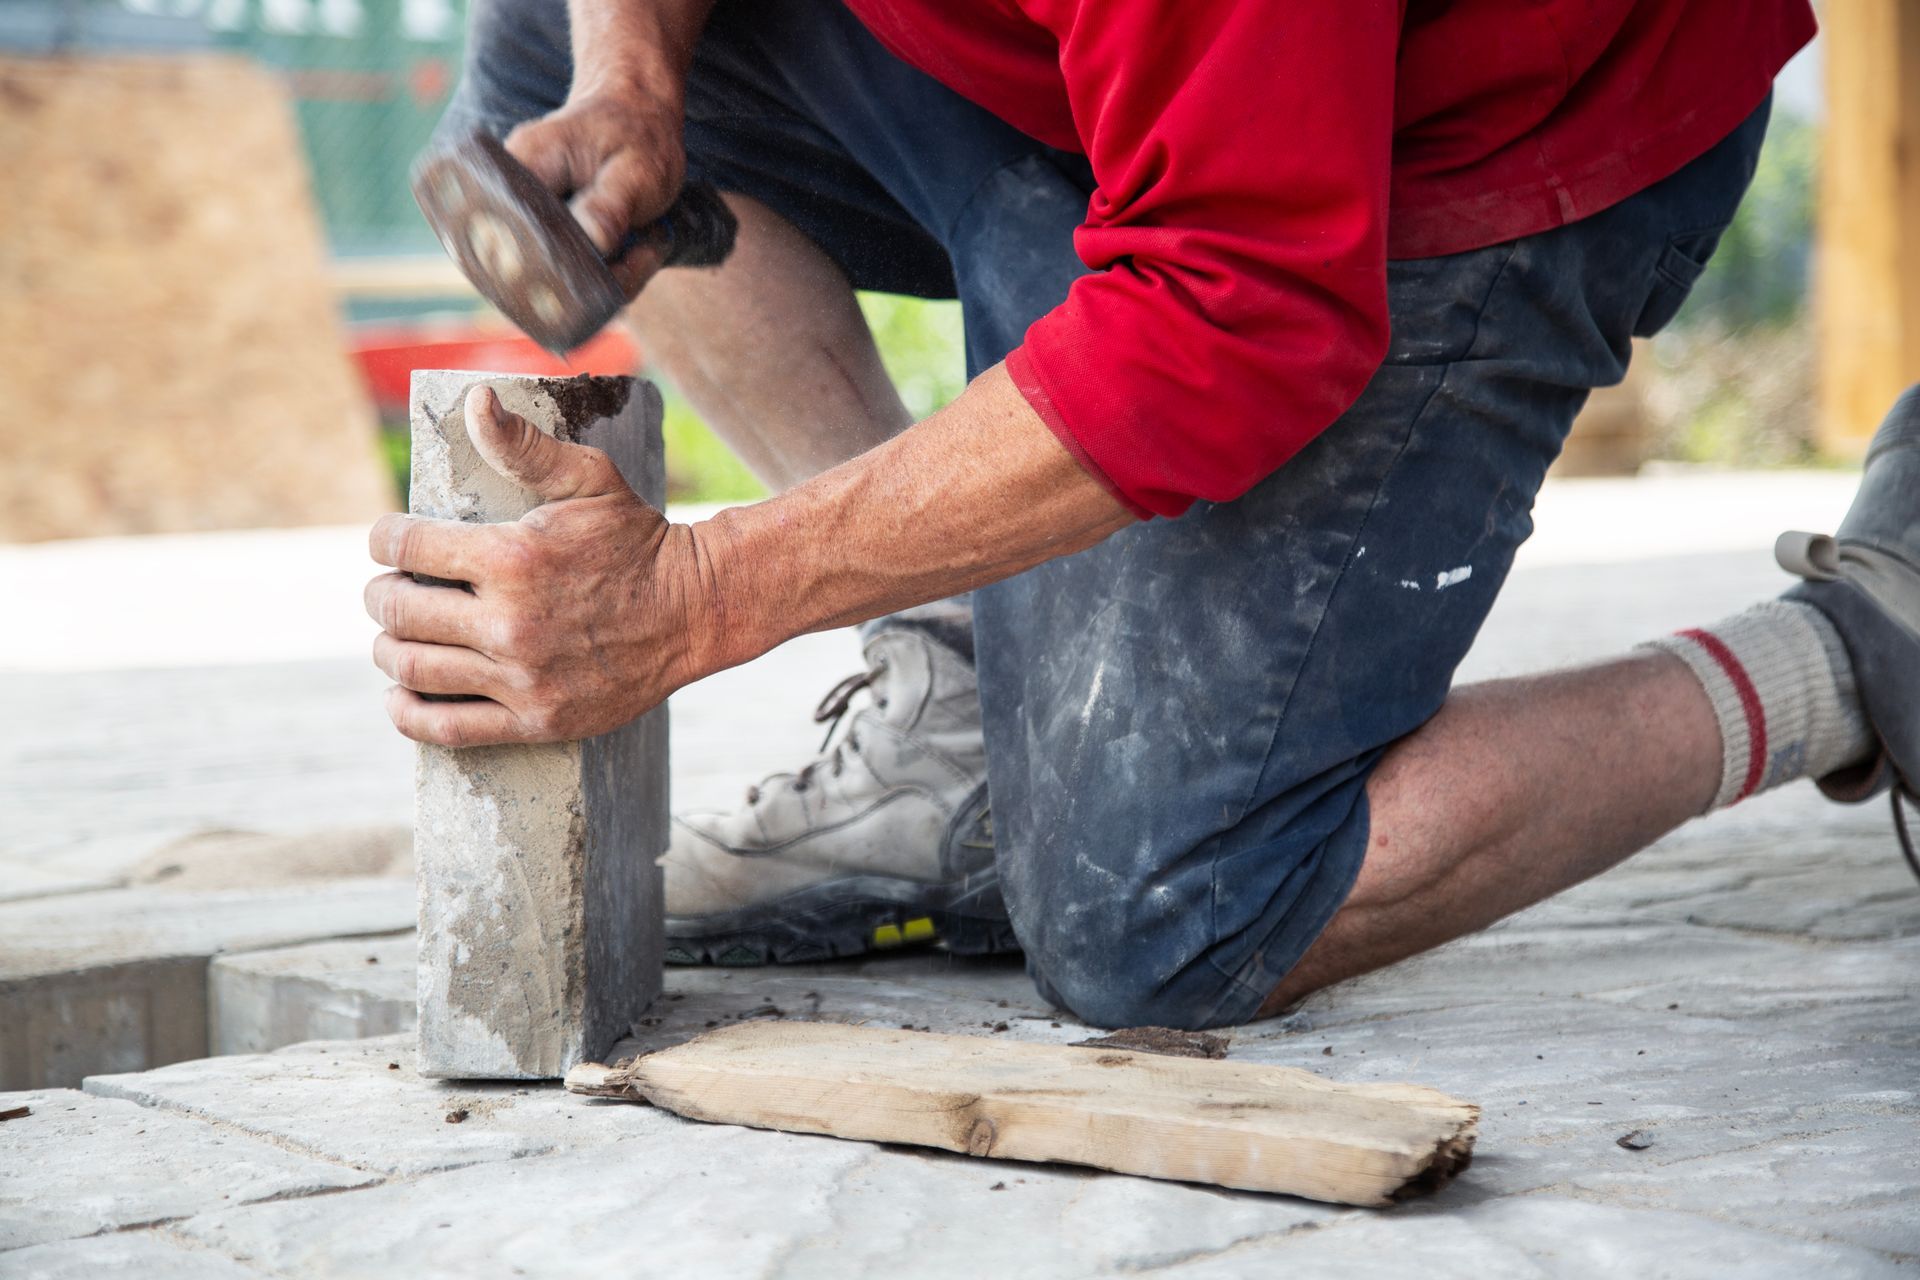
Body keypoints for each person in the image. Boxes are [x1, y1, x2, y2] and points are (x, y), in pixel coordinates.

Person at [364, 0, 1918, 1030]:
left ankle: (1861, 641)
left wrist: (699, 598)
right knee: (531, 79)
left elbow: (1236, 306)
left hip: (1460, 136)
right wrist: (632, 79)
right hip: (1086, 77)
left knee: (1171, 914)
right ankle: (962, 699)